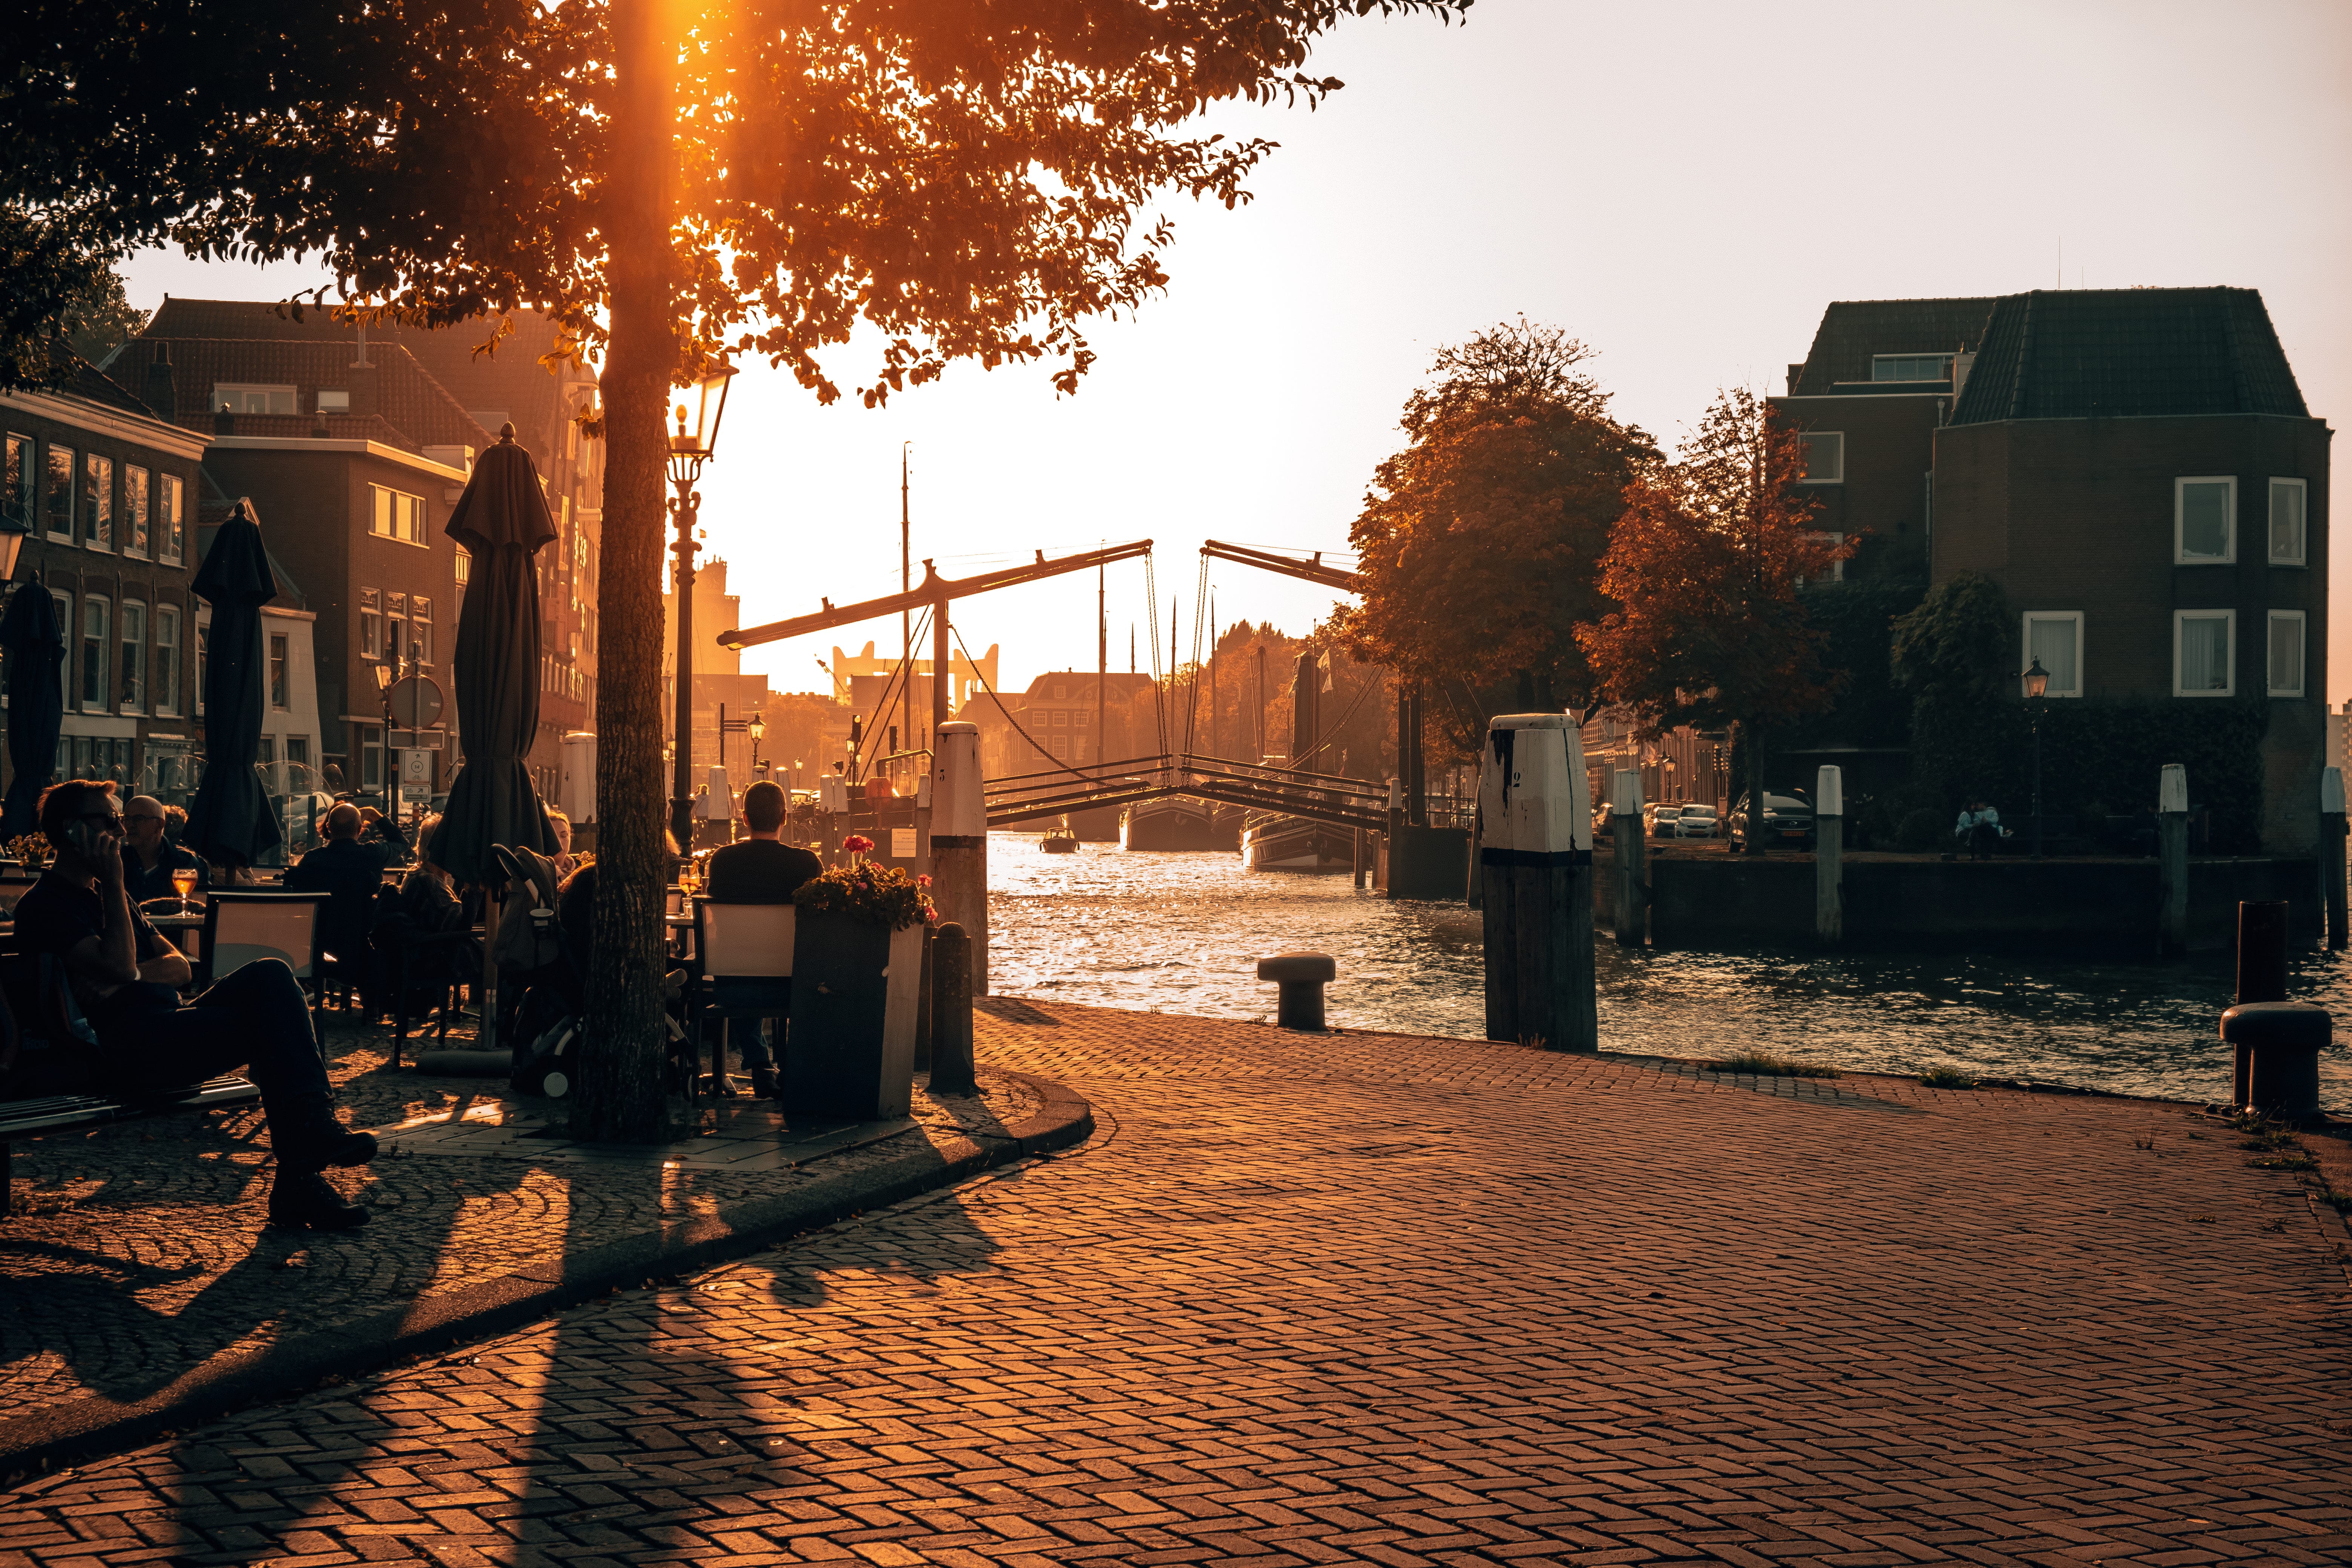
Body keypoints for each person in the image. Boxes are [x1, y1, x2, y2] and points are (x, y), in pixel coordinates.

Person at [12, 779, 378, 1230]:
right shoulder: (48, 904)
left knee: (272, 974)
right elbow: (118, 960)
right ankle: (303, 1169)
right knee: (273, 1025)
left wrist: (132, 973)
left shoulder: (114, 897)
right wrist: (113, 884)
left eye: (121, 821)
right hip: (125, 1048)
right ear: (73, 831)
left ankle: (312, 1131)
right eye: (109, 821)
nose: (120, 831)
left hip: (165, 1023)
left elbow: (180, 966)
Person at [701, 780, 824, 1098]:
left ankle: (761, 1066)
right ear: (785, 818)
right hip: (793, 986)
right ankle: (792, 1066)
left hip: (735, 987)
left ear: (744, 818)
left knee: (740, 964)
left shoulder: (723, 860)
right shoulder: (807, 863)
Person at [286, 804, 403, 1014]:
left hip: (320, 949)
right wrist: (379, 818)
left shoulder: (312, 860)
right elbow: (401, 843)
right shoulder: (372, 854)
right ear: (360, 830)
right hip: (363, 948)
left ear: (328, 828)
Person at [119, 794, 209, 906]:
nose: (130, 825)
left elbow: (202, 906)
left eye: (139, 819)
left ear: (160, 825)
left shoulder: (186, 862)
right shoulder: (117, 860)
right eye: (127, 819)